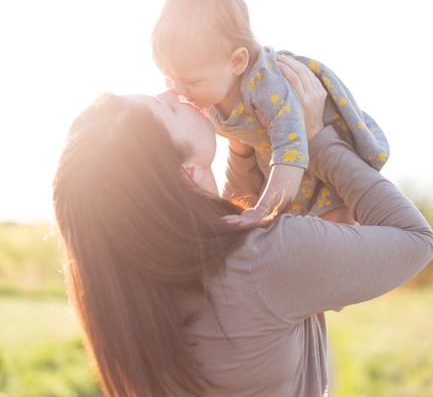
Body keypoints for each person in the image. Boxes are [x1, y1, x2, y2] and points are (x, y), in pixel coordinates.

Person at [53, 56, 433, 397]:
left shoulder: (130, 290)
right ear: (186, 173)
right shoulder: (265, 258)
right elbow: (415, 240)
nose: (172, 93)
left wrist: (242, 147)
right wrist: (317, 142)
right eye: (164, 108)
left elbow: (224, 229)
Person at [151, 0, 389, 223]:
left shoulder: (265, 84)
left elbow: (290, 148)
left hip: (322, 152)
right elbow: (244, 164)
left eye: (191, 80)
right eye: (170, 78)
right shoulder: (208, 89)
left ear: (237, 61)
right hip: (280, 167)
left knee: (337, 224)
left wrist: (264, 211)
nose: (179, 89)